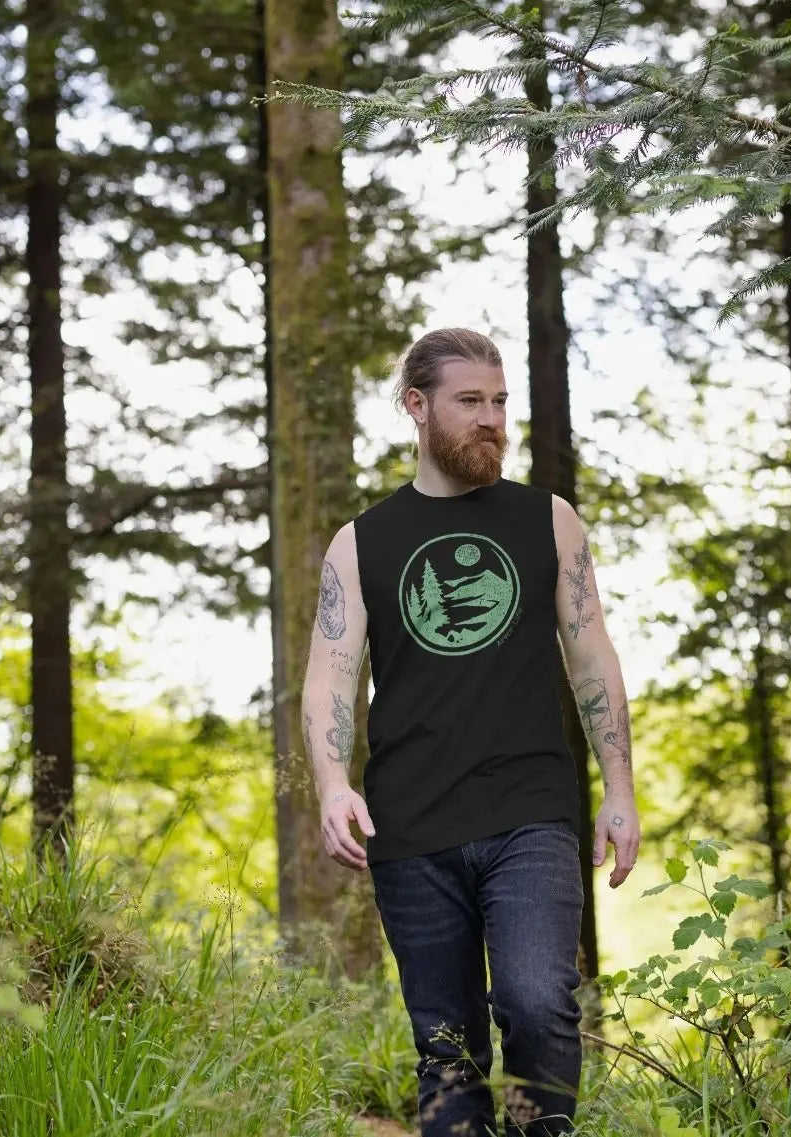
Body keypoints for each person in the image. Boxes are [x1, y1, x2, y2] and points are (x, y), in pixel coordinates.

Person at [301, 327, 641, 1137]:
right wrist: (332, 782)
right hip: (410, 824)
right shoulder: (361, 543)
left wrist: (619, 789)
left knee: (536, 1002)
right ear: (417, 406)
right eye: (469, 402)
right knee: (446, 1046)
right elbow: (331, 673)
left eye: (498, 401)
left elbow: (591, 655)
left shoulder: (547, 520)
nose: (490, 419)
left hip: (530, 810)